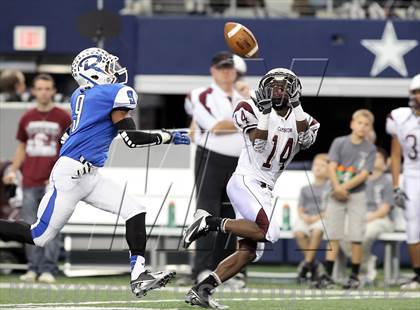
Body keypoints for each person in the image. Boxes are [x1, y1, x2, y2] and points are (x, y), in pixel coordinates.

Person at [0, 47, 190, 296]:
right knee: (39, 235)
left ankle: (139, 275)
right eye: (108, 66)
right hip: (71, 174)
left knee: (135, 210)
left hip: (89, 174)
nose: (114, 71)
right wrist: (169, 136)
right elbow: (131, 139)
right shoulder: (113, 93)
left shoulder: (82, 94)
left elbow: (75, 130)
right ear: (94, 72)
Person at [183, 68, 320, 308]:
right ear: (264, 88)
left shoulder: (306, 119)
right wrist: (266, 113)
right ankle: (209, 223)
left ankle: (202, 290)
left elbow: (305, 140)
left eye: (285, 87)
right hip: (245, 181)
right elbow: (258, 144)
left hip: (265, 189)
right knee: (269, 232)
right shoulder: (248, 108)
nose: (279, 91)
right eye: (275, 86)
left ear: (295, 90)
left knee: (249, 252)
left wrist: (296, 107)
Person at [2, 74, 71, 283]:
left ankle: (49, 269)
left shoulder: (63, 117)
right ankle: (33, 268)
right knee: (29, 226)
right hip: (30, 180)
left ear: (53, 91)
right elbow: (22, 147)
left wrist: (60, 174)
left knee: (52, 225)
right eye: (40, 88)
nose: (43, 92)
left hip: (54, 182)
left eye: (47, 88)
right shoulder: (27, 117)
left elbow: (68, 148)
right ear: (33, 91)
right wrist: (13, 170)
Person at [187, 51, 246, 287]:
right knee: (207, 214)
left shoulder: (244, 96)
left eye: (230, 68)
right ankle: (201, 269)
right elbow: (216, 127)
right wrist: (244, 120)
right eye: (222, 68)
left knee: (230, 217)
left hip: (238, 161)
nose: (226, 73)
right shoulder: (201, 94)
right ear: (213, 70)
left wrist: (248, 100)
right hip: (210, 158)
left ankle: (224, 272)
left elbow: (261, 121)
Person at [317, 109, 376, 290]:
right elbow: (332, 166)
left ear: (369, 128)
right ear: (352, 124)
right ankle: (327, 274)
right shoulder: (339, 142)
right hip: (336, 193)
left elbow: (364, 174)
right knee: (333, 234)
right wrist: (337, 188)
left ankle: (354, 276)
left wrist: (344, 188)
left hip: (356, 194)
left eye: (367, 125)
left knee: (356, 236)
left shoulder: (370, 149)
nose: (362, 127)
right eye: (359, 123)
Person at [386, 73, 420, 290]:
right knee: (413, 225)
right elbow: (396, 153)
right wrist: (396, 185)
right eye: (416, 91)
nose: (419, 96)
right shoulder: (400, 117)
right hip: (412, 175)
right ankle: (418, 274)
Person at [340, 147, 394, 283]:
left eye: (379, 157)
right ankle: (367, 261)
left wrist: (367, 219)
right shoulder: (360, 180)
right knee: (341, 232)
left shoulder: (387, 181)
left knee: (364, 235)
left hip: (380, 218)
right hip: (360, 216)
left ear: (386, 162)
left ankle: (362, 269)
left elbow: (385, 209)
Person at [293, 153, 329, 284]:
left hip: (323, 218)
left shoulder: (330, 187)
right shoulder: (305, 188)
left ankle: (306, 266)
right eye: (316, 165)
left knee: (317, 230)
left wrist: (315, 218)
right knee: (299, 232)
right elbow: (300, 208)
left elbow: (330, 210)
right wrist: (304, 217)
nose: (318, 168)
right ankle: (313, 265)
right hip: (307, 218)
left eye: (322, 165)